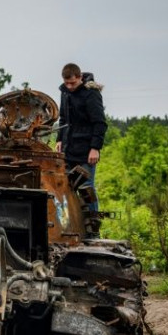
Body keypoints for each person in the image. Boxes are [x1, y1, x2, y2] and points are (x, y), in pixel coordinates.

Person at [55, 63, 107, 225]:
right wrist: (59, 139)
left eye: (72, 83)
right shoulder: (64, 93)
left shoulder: (91, 93)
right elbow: (63, 119)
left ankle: (93, 228)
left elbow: (100, 123)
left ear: (79, 77)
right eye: (66, 83)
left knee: (86, 189)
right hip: (68, 150)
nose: (69, 86)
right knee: (63, 188)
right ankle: (66, 226)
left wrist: (95, 148)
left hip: (86, 151)